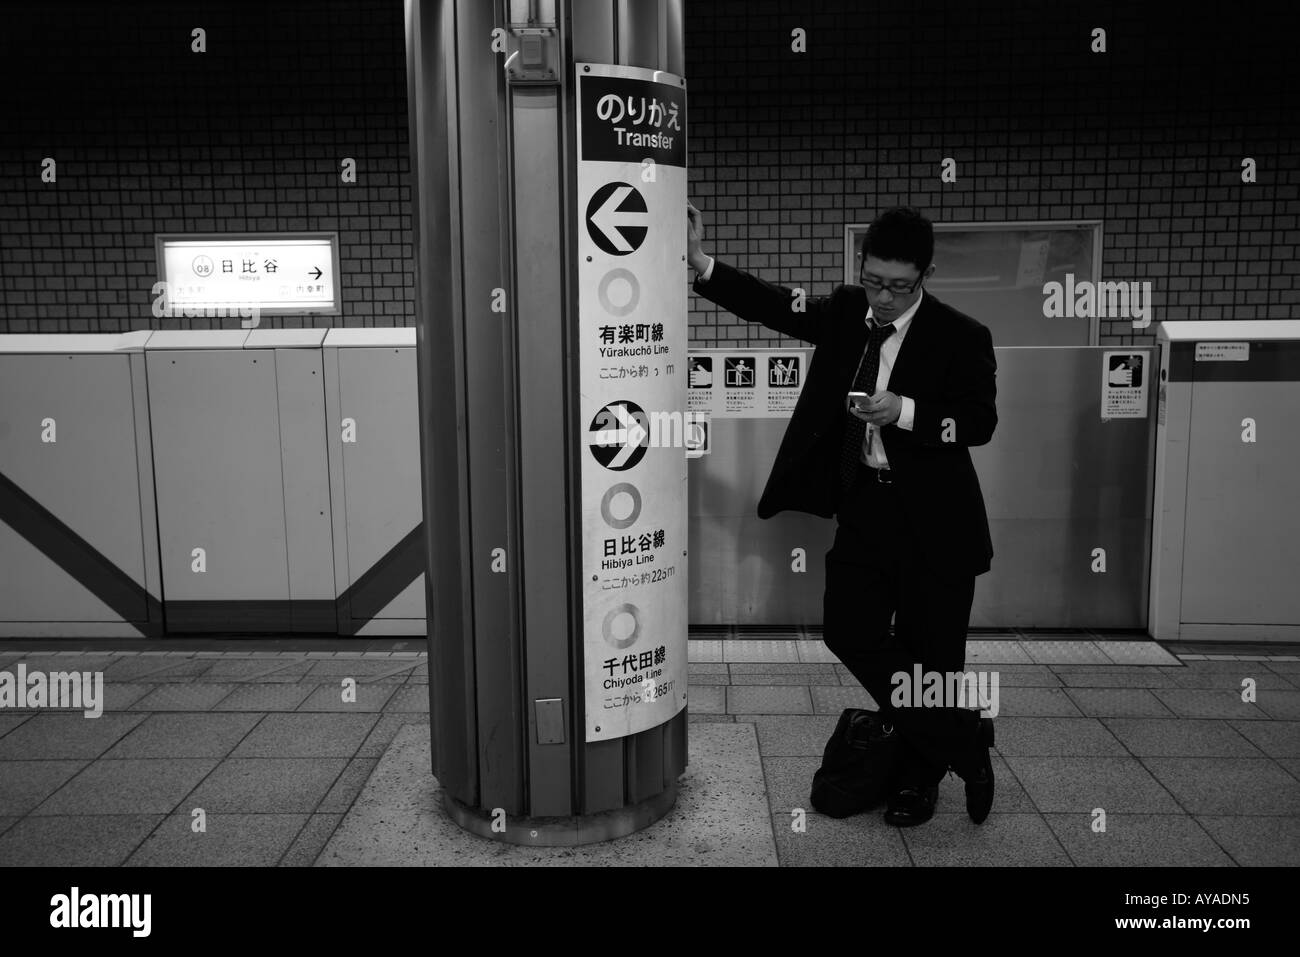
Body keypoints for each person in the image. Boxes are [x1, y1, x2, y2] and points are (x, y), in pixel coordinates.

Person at [686, 203, 997, 827]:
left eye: (899, 287)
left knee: (932, 657)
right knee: (847, 630)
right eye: (874, 280)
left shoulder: (961, 335)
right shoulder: (847, 312)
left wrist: (905, 411)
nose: (883, 298)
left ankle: (918, 780)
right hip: (867, 509)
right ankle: (965, 740)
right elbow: (775, 305)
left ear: (926, 274)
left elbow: (980, 423)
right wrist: (700, 264)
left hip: (937, 522)